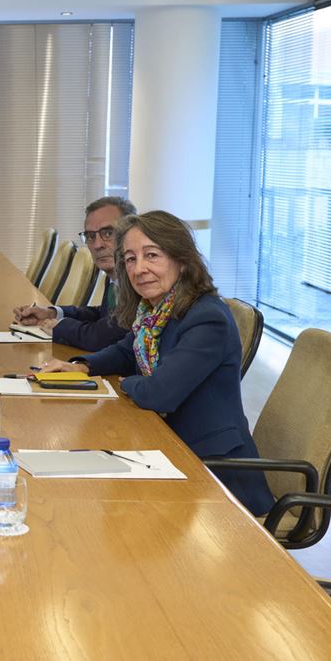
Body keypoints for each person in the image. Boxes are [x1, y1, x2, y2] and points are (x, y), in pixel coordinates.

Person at [39, 211, 274, 514]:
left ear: (182, 260)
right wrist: (83, 366)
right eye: (131, 259)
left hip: (214, 473)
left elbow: (159, 393)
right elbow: (128, 349)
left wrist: (130, 384)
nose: (140, 269)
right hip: (168, 449)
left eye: (152, 255)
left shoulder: (207, 318)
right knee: (72, 483)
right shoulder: (155, 312)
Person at [13, 196, 136, 351]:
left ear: (131, 233)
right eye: (91, 236)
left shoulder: (138, 283)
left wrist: (60, 326)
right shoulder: (114, 277)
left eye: (108, 233)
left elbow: (102, 337)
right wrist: (52, 313)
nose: (97, 245)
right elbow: (103, 315)